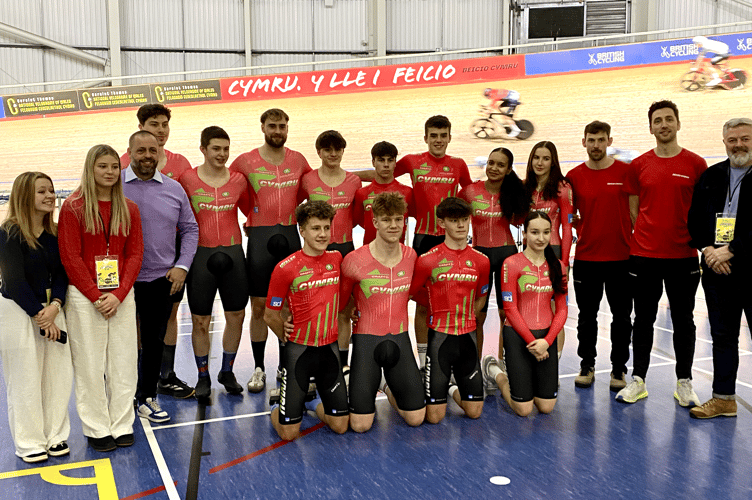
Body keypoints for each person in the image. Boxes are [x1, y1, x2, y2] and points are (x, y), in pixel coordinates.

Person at [617, 100, 706, 405]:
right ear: (651, 127)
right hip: (644, 257)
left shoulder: (696, 164)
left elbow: (701, 209)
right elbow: (633, 209)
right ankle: (638, 380)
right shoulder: (639, 165)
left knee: (684, 321)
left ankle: (684, 381)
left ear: (678, 124)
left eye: (669, 119)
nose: (664, 125)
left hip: (683, 257)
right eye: (658, 120)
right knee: (642, 319)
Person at [58, 145, 143, 452]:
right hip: (85, 298)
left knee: (124, 364)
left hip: (121, 296)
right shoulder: (73, 207)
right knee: (90, 367)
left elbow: (134, 254)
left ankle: (122, 424)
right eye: (102, 166)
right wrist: (96, 296)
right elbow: (70, 257)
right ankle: (96, 428)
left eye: (113, 167)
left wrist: (119, 294)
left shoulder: (129, 207)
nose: (109, 172)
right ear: (90, 169)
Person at [229, 108, 312, 393]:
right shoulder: (245, 161)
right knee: (260, 308)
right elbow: (233, 192)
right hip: (261, 241)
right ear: (262, 127)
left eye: (283, 126)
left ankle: (285, 365)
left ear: (288, 128)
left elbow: (309, 191)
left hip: (289, 236)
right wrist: (252, 216)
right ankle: (258, 368)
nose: (278, 131)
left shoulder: (298, 160)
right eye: (273, 126)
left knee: (288, 307)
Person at [122, 130, 198, 422]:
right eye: (140, 151)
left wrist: (182, 265)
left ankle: (147, 397)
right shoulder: (114, 187)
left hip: (159, 280)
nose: (147, 157)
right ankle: (119, 398)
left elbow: (190, 229)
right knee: (121, 343)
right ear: (129, 153)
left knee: (154, 342)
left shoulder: (174, 188)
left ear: (160, 153)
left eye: (152, 151)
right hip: (122, 283)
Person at [0, 172, 72, 463]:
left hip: (52, 310)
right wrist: (41, 317)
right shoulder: (8, 234)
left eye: (51, 191)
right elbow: (14, 281)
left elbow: (63, 274)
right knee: (25, 378)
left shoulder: (55, 234)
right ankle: (29, 441)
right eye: (41, 191)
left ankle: (56, 435)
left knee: (57, 376)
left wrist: (55, 304)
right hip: (19, 312)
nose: (50, 196)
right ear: (24, 196)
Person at [264, 201, 350, 441]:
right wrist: (285, 333)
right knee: (289, 434)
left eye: (326, 228)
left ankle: (311, 403)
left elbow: (348, 294)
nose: (322, 234)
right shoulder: (285, 268)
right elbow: (269, 314)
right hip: (299, 352)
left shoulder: (337, 259)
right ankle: (276, 408)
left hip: (329, 351)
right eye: (315, 228)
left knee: (341, 425)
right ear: (302, 230)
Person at [340, 192, 426, 432]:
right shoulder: (354, 260)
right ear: (375, 222)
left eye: (399, 219)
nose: (394, 225)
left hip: (399, 341)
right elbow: (340, 304)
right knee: (360, 425)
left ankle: (387, 385)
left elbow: (418, 295)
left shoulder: (411, 257)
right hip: (367, 343)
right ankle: (354, 376)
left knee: (416, 418)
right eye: (387, 220)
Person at [395, 115, 472, 369]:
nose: (438, 140)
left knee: (450, 301)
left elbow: (472, 193)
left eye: (443, 135)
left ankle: (449, 354)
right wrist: (347, 177)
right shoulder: (412, 161)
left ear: (449, 137)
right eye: (433, 136)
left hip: (451, 241)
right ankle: (424, 359)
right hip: (423, 240)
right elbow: (383, 174)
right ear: (425, 137)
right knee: (422, 302)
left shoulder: (458, 165)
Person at [687, 117, 752, 418]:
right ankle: (724, 398)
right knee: (723, 337)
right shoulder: (712, 175)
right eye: (733, 139)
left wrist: (732, 250)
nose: (739, 144)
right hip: (717, 270)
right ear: (724, 142)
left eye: (745, 138)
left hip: (748, 266)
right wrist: (710, 250)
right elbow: (695, 220)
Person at [179, 126, 250, 403]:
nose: (222, 154)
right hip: (201, 257)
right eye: (216, 149)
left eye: (225, 149)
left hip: (233, 255)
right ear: (203, 150)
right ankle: (203, 375)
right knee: (200, 321)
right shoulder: (187, 179)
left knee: (237, 316)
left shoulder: (238, 180)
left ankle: (227, 371)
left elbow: (250, 210)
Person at [409, 197, 490, 424]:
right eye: (454, 221)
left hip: (468, 339)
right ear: (442, 223)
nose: (462, 225)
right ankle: (447, 384)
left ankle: (453, 388)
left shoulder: (481, 261)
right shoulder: (427, 260)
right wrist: (437, 304)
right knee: (434, 418)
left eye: (465, 220)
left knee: (474, 412)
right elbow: (413, 293)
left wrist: (467, 316)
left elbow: (482, 295)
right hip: (440, 341)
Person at [567, 121, 633, 391]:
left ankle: (619, 369)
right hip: (586, 259)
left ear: (609, 141)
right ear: (584, 142)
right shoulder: (573, 176)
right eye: (591, 140)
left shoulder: (626, 172)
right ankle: (587, 364)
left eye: (601, 140)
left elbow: (636, 212)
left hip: (622, 259)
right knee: (586, 316)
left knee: (621, 317)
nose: (596, 145)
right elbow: (567, 215)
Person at [482, 211, 568, 417]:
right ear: (525, 234)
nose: (541, 238)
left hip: (546, 339)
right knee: (523, 409)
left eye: (546, 232)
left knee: (546, 407)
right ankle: (495, 372)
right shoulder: (511, 264)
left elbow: (562, 309)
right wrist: (533, 342)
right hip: (519, 337)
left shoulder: (559, 266)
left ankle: (528, 378)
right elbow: (510, 309)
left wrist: (546, 342)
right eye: (535, 232)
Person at [300, 130, 361, 371]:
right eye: (328, 150)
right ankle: (316, 359)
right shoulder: (308, 180)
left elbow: (356, 216)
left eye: (338, 149)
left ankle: (342, 364)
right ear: (319, 152)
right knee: (317, 309)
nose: (333, 154)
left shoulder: (353, 181)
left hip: (345, 250)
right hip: (316, 254)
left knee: (344, 310)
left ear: (343, 151)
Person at [459, 147, 527, 360]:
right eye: (491, 163)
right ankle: (474, 364)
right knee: (478, 313)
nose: (494, 168)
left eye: (500, 165)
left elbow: (524, 221)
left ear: (508, 170)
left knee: (506, 313)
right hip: (479, 258)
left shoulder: (514, 192)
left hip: (507, 257)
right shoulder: (470, 191)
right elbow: (454, 218)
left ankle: (506, 362)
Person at [525, 141, 573, 359]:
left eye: (545, 158)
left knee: (554, 309)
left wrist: (564, 262)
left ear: (553, 161)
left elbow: (567, 226)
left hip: (552, 251)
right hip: (528, 254)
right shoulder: (526, 187)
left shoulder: (562, 188)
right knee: (531, 306)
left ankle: (555, 359)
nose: (540, 163)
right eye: (536, 157)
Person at [353, 141, 413, 246]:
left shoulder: (407, 192)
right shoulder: (361, 193)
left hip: (398, 252)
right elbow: (359, 221)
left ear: (395, 163)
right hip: (369, 252)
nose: (386, 165)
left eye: (390, 160)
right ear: (373, 162)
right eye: (381, 160)